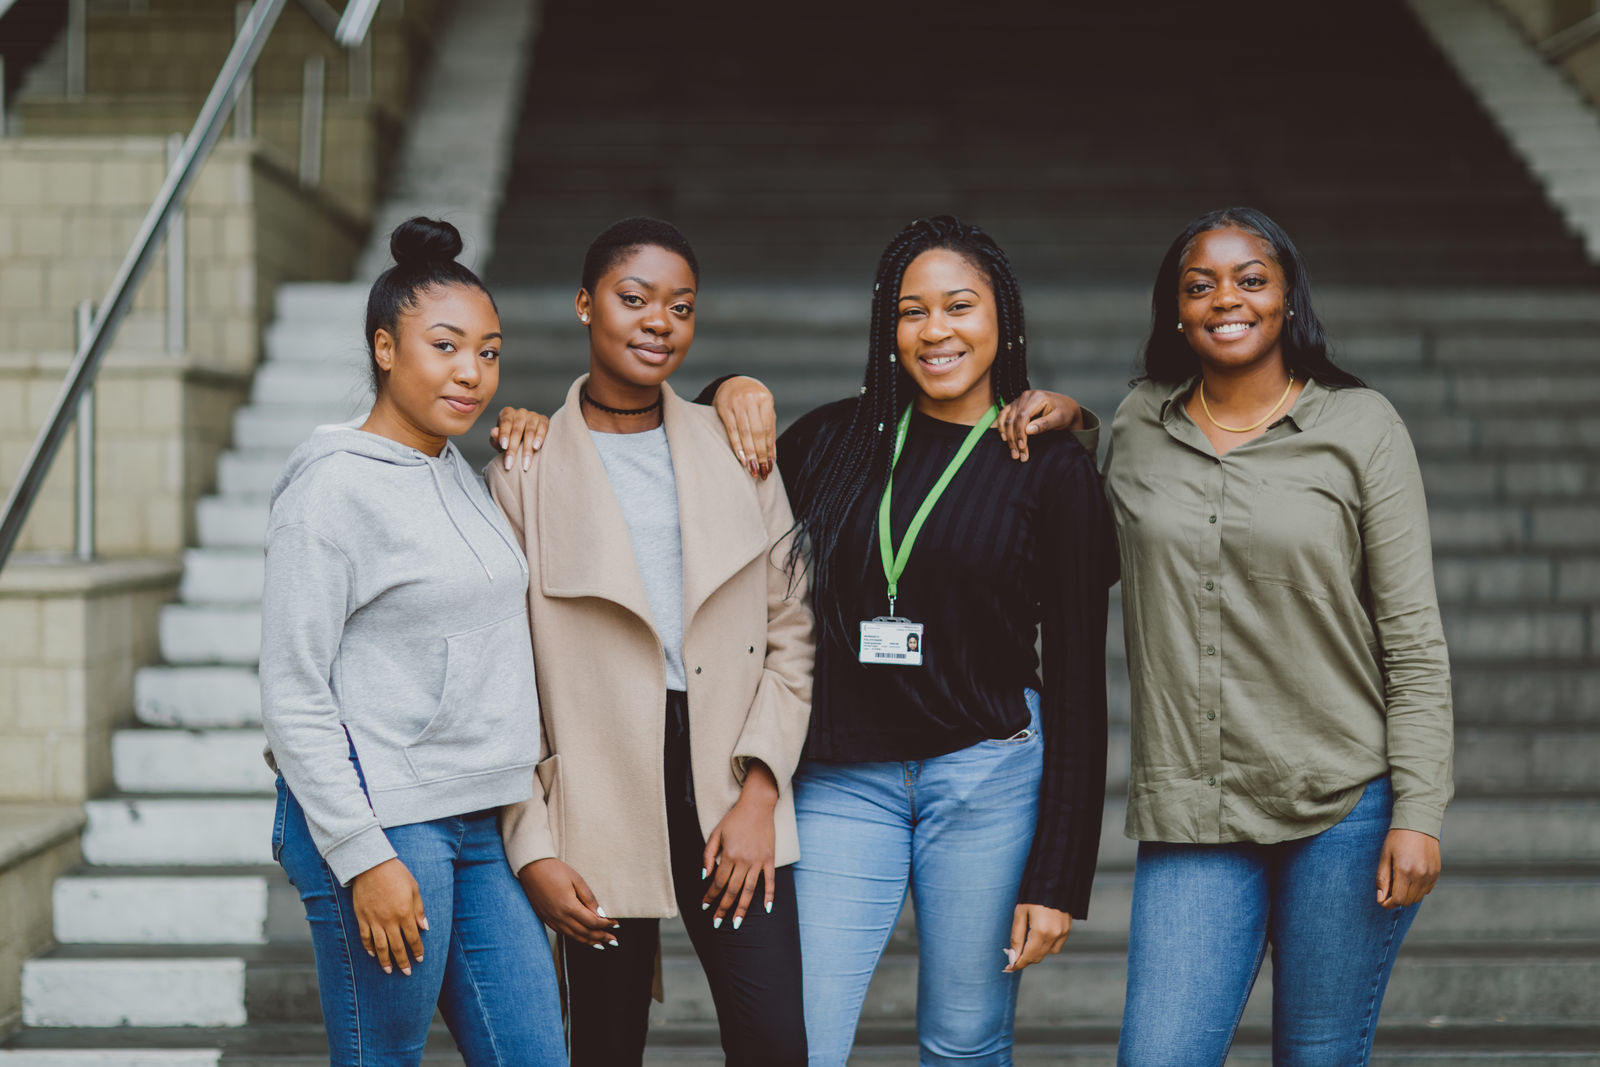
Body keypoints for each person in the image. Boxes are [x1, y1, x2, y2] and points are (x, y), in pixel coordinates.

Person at [1000, 207, 1453, 1066]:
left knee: (1318, 1054)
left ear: (1288, 297)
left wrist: (1420, 811)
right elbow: (1099, 544)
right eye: (1199, 285)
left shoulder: (1361, 426)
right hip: (1195, 811)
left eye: (1251, 279)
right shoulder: (1141, 422)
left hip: (1342, 803)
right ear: (1175, 311)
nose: (1226, 299)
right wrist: (1074, 426)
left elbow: (1413, 639)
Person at [486, 217, 814, 1067]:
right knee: (604, 1045)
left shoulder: (738, 447)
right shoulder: (524, 468)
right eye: (634, 298)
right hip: (594, 799)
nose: (659, 321)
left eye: (682, 306)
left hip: (728, 783)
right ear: (585, 304)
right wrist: (532, 843)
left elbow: (792, 630)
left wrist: (760, 792)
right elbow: (503, 682)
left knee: (776, 1043)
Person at [259, 218, 565, 1067]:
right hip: (386, 819)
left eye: (489, 353)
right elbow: (292, 690)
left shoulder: (457, 472)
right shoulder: (330, 490)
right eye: (446, 346)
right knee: (380, 1057)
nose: (472, 372)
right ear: (385, 348)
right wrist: (364, 857)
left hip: (479, 818)